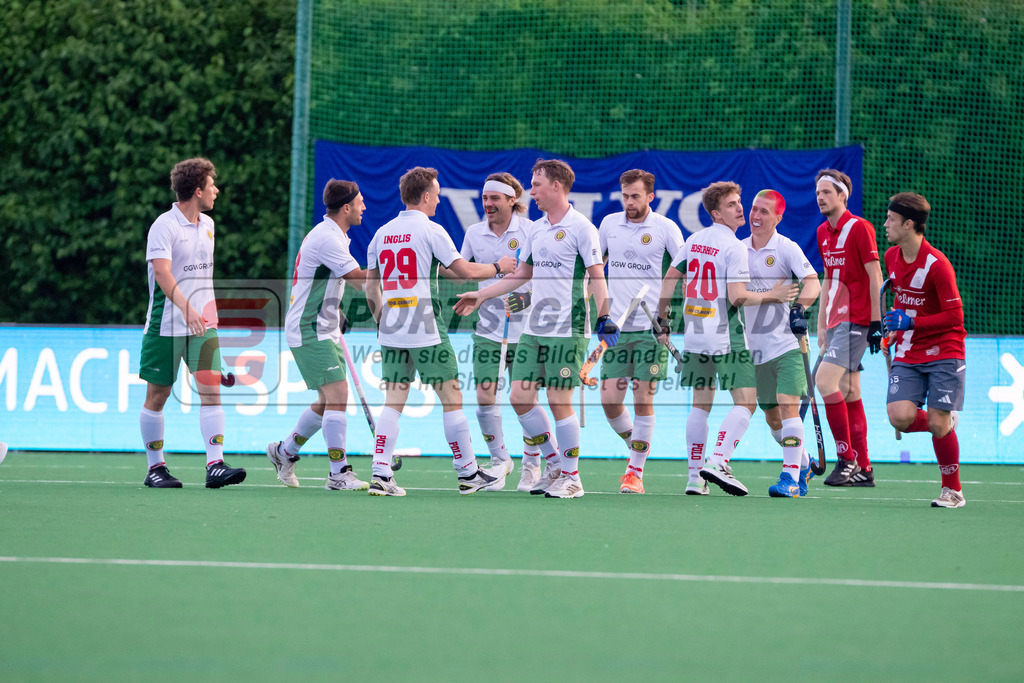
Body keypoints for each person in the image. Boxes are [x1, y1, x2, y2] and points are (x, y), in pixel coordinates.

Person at [454, 159, 616, 499]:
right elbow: (520, 275)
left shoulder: (582, 228)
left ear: (556, 186)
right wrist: (481, 295)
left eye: (537, 184)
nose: (532, 191)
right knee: (519, 397)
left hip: (568, 328)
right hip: (534, 330)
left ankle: (572, 479)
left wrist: (604, 317)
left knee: (559, 400)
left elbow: (597, 276)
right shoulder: (538, 229)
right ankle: (555, 463)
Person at [364, 166, 516, 496]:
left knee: (393, 399)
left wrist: (382, 321)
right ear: (426, 196)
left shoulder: (381, 233)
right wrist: (498, 267)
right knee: (451, 397)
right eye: (436, 193)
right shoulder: (431, 230)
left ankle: (381, 470)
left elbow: (370, 288)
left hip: (391, 326)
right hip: (425, 325)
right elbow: (461, 273)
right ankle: (467, 472)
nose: (438, 199)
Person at [655, 181, 797, 496]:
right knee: (746, 402)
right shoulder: (734, 247)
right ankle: (718, 461)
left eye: (739, 202)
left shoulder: (694, 240)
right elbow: (737, 297)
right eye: (732, 204)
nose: (740, 208)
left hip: (694, 333)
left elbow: (669, 279)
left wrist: (662, 319)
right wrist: (773, 295)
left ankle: (695, 478)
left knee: (700, 405)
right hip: (726, 334)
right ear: (716, 213)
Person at [138, 158, 246, 489]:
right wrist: (186, 308)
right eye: (212, 184)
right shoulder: (164, 226)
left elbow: (203, 281)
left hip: (202, 325)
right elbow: (162, 272)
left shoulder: (209, 225)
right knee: (158, 395)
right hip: (166, 324)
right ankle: (155, 468)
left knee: (211, 391)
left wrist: (210, 324)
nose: (217, 189)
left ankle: (215, 465)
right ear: (198, 190)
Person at [265, 179, 372, 492]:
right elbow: (355, 279)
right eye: (360, 202)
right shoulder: (328, 238)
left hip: (324, 326)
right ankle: (338, 473)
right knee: (338, 396)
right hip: (309, 328)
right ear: (346, 207)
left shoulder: (333, 234)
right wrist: (393, 271)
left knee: (327, 402)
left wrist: (335, 311)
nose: (364, 207)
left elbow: (322, 280)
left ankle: (284, 453)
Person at [442, 172, 543, 491]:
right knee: (485, 395)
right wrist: (437, 266)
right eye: (485, 198)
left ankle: (532, 464)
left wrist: (523, 297)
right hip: (487, 329)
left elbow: (543, 277)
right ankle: (501, 461)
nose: (488, 203)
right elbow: (461, 274)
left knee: (525, 398)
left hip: (526, 330)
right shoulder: (474, 232)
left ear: (513, 201)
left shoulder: (530, 230)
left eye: (494, 198)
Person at [597, 169, 685, 494]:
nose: (629, 202)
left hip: (651, 329)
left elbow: (684, 269)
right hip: (616, 328)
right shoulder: (608, 225)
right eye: (625, 195)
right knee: (609, 400)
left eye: (635, 196)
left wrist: (666, 315)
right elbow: (594, 268)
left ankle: (634, 472)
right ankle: (638, 444)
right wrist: (601, 314)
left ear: (651, 196)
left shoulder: (666, 229)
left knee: (642, 397)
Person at [881, 193, 966, 508]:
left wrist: (911, 321)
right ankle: (941, 420)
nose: (886, 223)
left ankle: (953, 491)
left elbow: (955, 316)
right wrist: (892, 329)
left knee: (937, 424)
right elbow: (900, 301)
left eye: (891, 219)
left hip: (945, 349)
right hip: (909, 349)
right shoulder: (891, 256)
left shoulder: (938, 265)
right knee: (899, 417)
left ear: (908, 224)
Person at [742, 190, 821, 497]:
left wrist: (799, 308)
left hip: (788, 344)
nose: (755, 216)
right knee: (773, 418)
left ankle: (789, 480)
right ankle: (803, 464)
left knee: (788, 407)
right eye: (753, 209)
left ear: (778, 218)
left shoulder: (786, 248)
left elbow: (812, 282)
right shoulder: (738, 250)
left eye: (763, 212)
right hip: (755, 349)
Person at [813, 169, 884, 487]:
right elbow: (828, 277)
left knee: (824, 382)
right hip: (838, 321)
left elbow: (875, 275)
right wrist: (822, 322)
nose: (820, 197)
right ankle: (864, 468)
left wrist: (877, 321)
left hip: (858, 319)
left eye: (827, 192)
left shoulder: (860, 228)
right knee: (850, 391)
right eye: (818, 193)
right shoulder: (822, 232)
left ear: (843, 195)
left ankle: (847, 460)